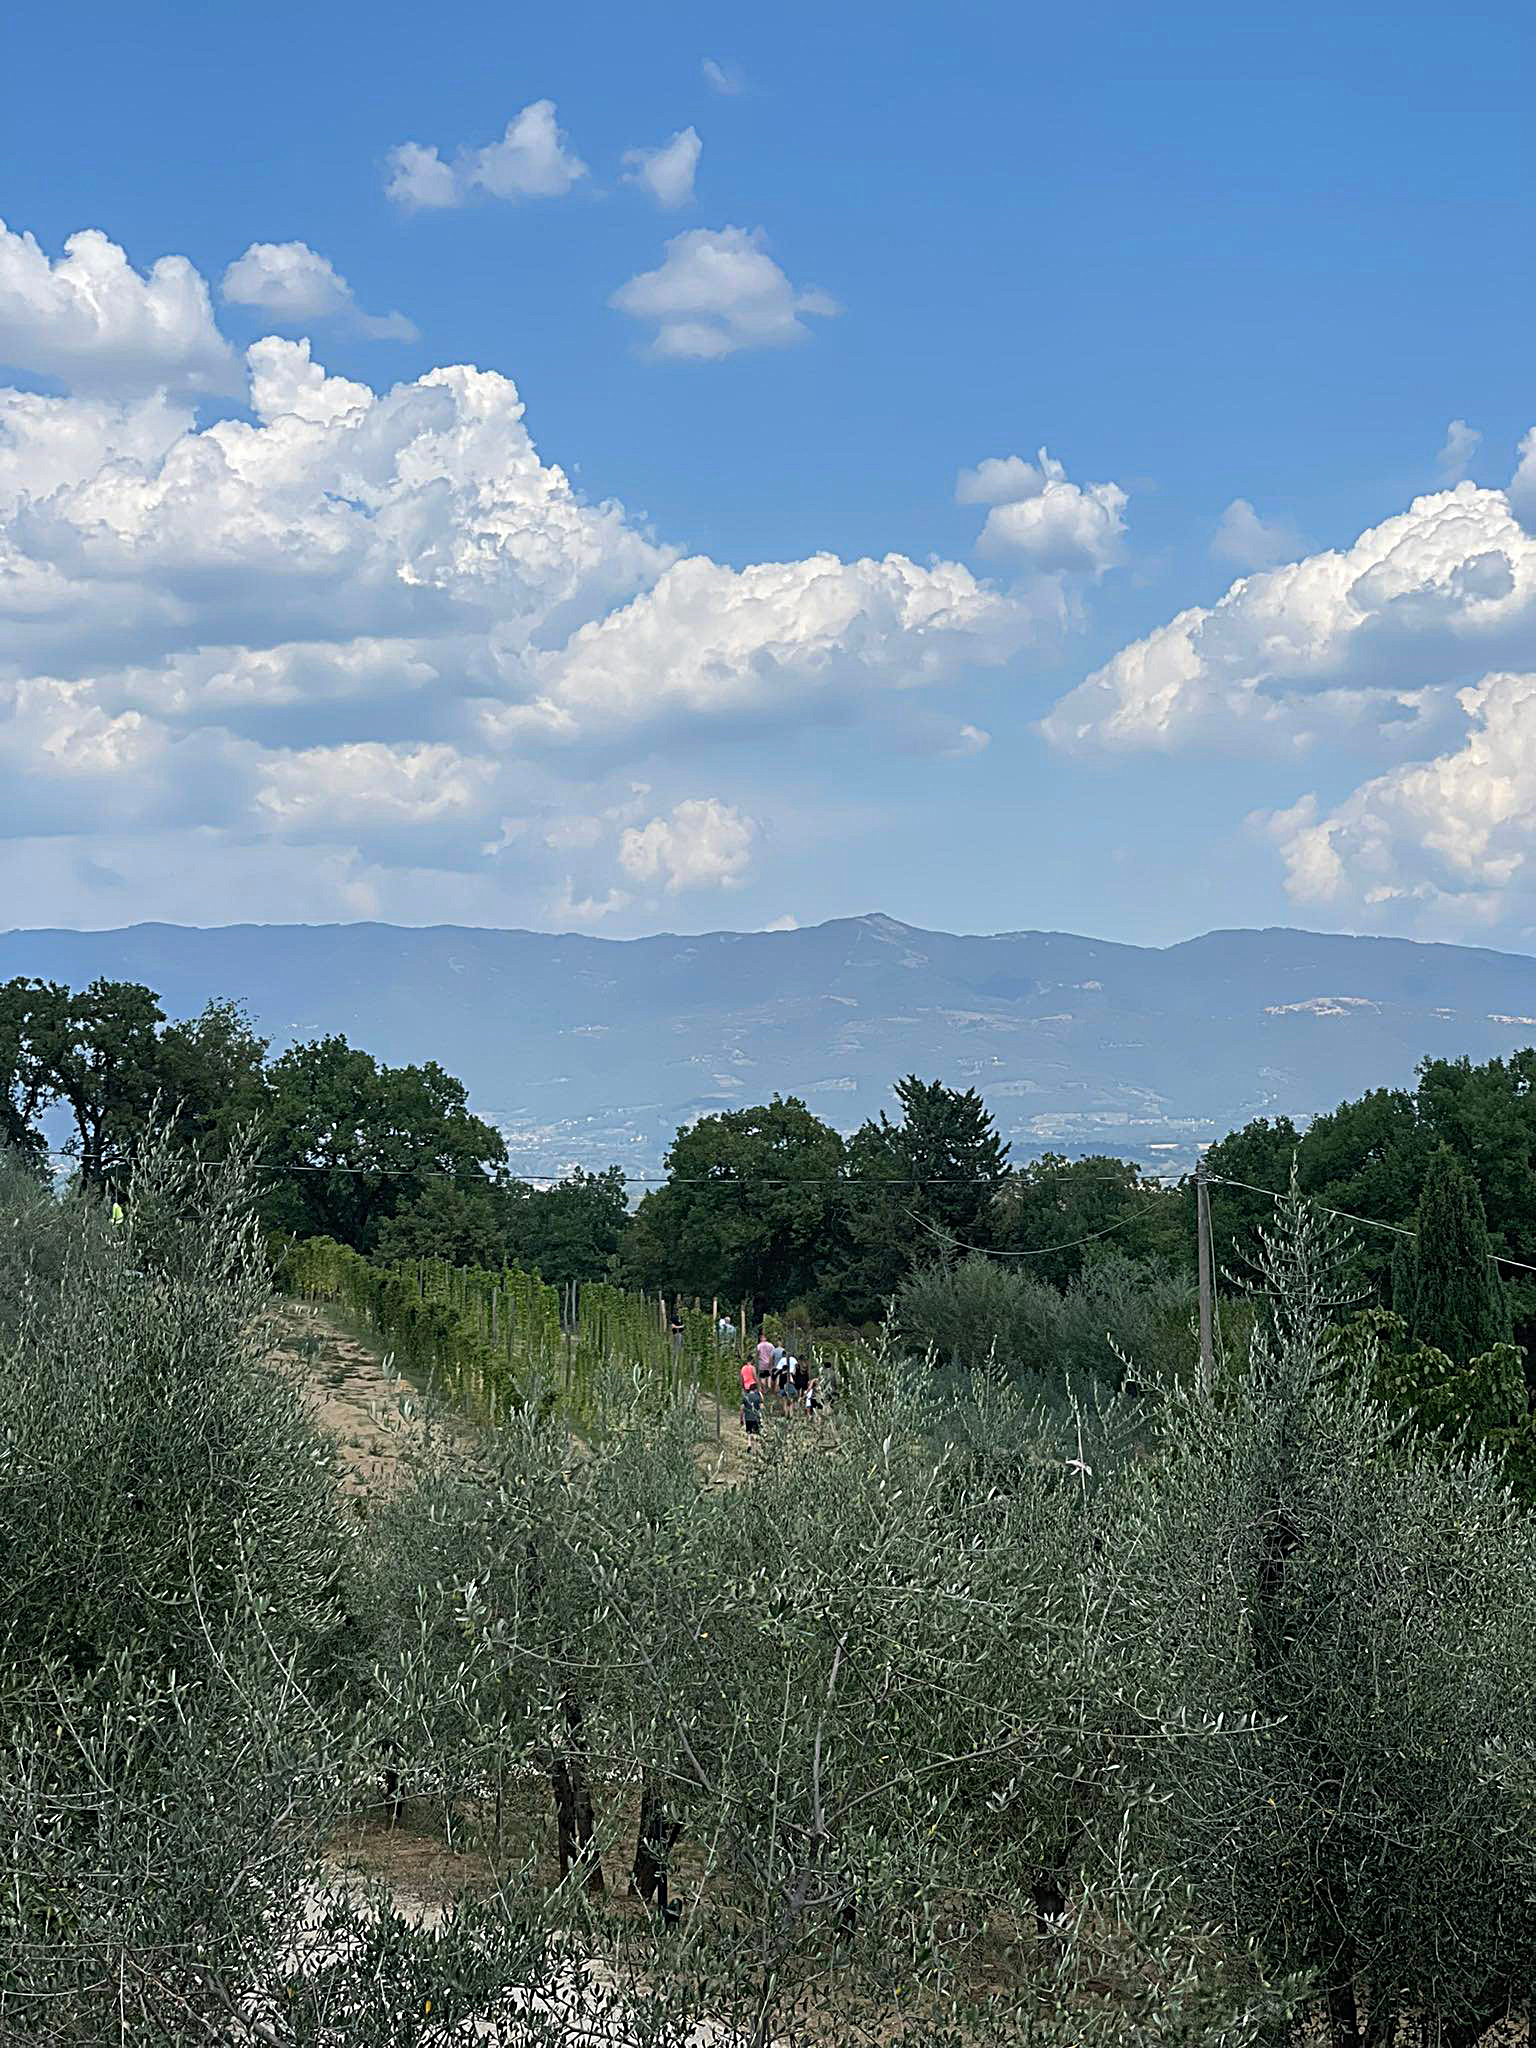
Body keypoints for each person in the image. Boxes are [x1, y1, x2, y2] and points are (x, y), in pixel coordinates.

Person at [741, 1377, 763, 1448]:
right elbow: (762, 1407)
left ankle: (749, 1444)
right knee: (756, 1432)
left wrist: (741, 1418)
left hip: (748, 1417)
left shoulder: (745, 1397)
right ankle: (756, 1446)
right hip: (756, 1417)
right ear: (755, 1389)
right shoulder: (757, 1397)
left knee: (749, 1432)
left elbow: (742, 1408)